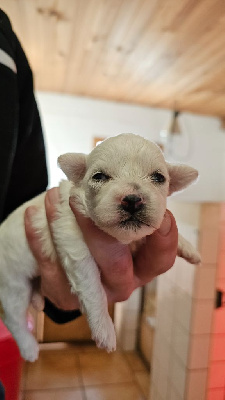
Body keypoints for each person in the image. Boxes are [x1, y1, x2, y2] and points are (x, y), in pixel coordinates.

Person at [0, 8, 178, 333]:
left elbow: (28, 203)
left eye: (155, 177)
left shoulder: (6, 44)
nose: (133, 196)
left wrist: (55, 295)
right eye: (101, 176)